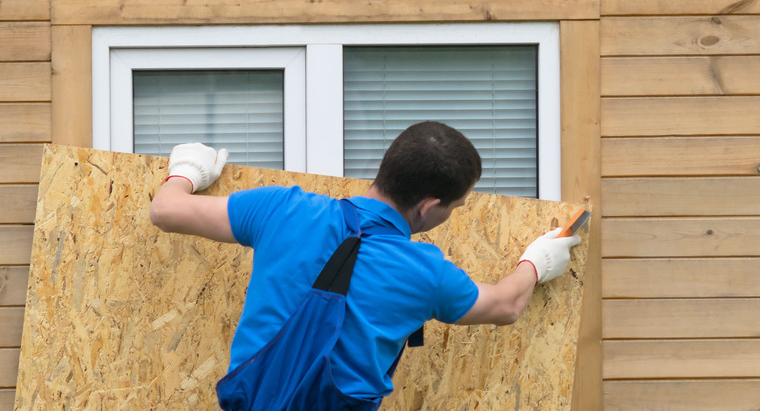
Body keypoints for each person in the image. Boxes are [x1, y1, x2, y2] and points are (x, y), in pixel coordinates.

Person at [149, 121, 581, 410]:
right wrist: (537, 261)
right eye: (456, 206)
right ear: (430, 208)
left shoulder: (281, 209)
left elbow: (166, 211)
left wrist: (187, 171)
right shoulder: (426, 272)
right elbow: (505, 305)